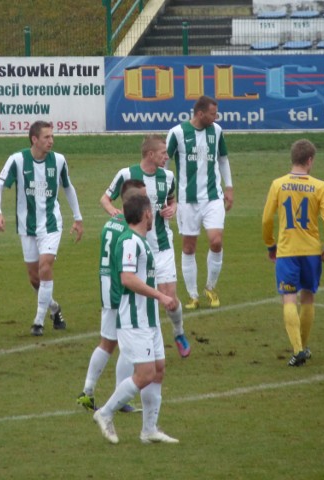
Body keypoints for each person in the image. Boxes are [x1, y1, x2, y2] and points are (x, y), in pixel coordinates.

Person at [93, 194, 179, 444]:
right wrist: (161, 297)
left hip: (148, 319)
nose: (153, 215)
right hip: (134, 319)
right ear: (145, 214)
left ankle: (149, 430)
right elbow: (127, 279)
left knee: (158, 369)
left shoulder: (141, 241)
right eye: (151, 211)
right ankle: (105, 413)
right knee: (144, 374)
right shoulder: (130, 241)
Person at [100, 134, 191, 358]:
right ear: (150, 154)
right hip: (136, 248)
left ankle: (179, 332)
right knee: (138, 297)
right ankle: (138, 343)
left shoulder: (168, 177)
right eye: (162, 153)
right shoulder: (127, 174)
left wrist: (173, 208)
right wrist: (114, 212)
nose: (166, 157)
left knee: (169, 297)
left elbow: (171, 200)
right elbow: (105, 199)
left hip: (161, 246)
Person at [0, 120, 83, 336]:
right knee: (35, 278)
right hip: (27, 226)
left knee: (45, 267)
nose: (51, 140)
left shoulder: (59, 161)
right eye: (46, 137)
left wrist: (78, 218)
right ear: (34, 139)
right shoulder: (17, 160)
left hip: (51, 223)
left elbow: (68, 188)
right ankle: (54, 308)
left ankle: (38, 321)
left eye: (52, 136)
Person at [261, 139, 324, 367]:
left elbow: (266, 219)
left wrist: (270, 245)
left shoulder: (278, 184)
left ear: (293, 159)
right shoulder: (319, 186)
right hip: (311, 251)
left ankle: (298, 349)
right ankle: (302, 347)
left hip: (287, 251)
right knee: (308, 298)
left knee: (289, 299)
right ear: (310, 160)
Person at [77, 179, 147, 413]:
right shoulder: (129, 230)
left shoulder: (110, 224)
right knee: (127, 346)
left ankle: (87, 391)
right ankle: (120, 398)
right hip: (121, 292)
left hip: (107, 289)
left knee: (108, 342)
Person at [166, 95, 233, 309]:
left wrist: (229, 187)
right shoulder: (177, 133)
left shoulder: (217, 131)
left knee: (216, 241)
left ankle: (210, 288)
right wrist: (166, 193)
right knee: (188, 247)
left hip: (213, 197)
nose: (216, 117)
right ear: (200, 113)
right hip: (187, 200)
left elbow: (223, 159)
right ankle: (193, 295)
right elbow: (164, 163)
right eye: (213, 114)